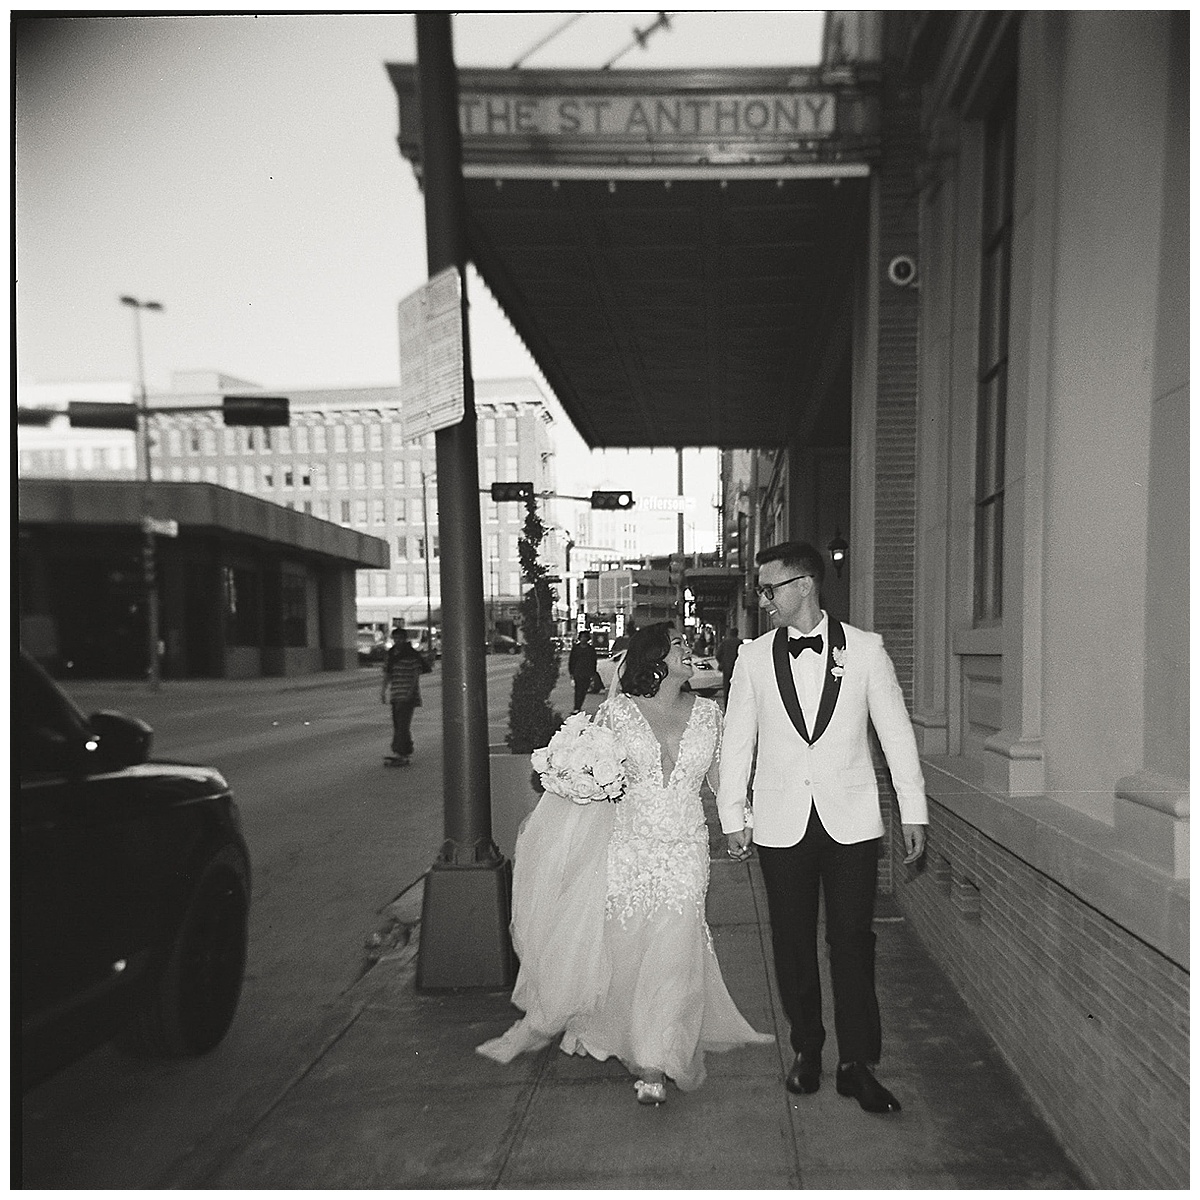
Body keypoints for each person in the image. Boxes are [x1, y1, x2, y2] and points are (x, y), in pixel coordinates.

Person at [477, 622, 772, 1104]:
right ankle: (626, 1032)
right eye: (677, 643)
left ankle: (655, 1060)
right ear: (654, 657)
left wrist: (742, 825)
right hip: (629, 847)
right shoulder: (617, 713)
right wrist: (579, 779)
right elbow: (594, 773)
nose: (686, 648)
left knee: (676, 950)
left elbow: (722, 781)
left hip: (686, 848)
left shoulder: (709, 714)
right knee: (630, 949)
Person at [716, 541, 927, 1114]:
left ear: (804, 585)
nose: (765, 602)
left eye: (771, 589)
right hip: (782, 825)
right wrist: (732, 813)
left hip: (851, 824)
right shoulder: (754, 659)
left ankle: (857, 1064)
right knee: (790, 943)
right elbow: (738, 740)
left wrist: (913, 809)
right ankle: (807, 1049)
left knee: (853, 943)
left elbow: (896, 733)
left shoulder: (865, 652)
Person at [380, 627, 430, 763]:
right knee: (398, 724)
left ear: (405, 639)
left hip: (408, 695)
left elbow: (415, 675)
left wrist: (410, 692)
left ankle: (401, 752)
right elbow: (388, 673)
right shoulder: (391, 655)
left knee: (403, 724)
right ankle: (405, 750)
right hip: (396, 694)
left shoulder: (411, 654)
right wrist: (383, 691)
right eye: (396, 638)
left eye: (401, 638)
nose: (398, 641)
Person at [567, 630, 598, 714]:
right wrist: (571, 672)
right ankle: (576, 707)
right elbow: (572, 661)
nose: (583, 639)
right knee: (578, 690)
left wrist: (593, 673)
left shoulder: (591, 649)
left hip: (587, 673)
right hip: (578, 672)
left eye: (585, 637)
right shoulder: (576, 649)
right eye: (582, 637)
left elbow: (593, 661)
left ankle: (579, 705)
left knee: (583, 690)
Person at [714, 624, 742, 707]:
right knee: (737, 688)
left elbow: (718, 654)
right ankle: (735, 705)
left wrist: (722, 662)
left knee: (727, 688)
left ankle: (727, 706)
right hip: (737, 668)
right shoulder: (739, 642)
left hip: (726, 668)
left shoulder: (725, 642)